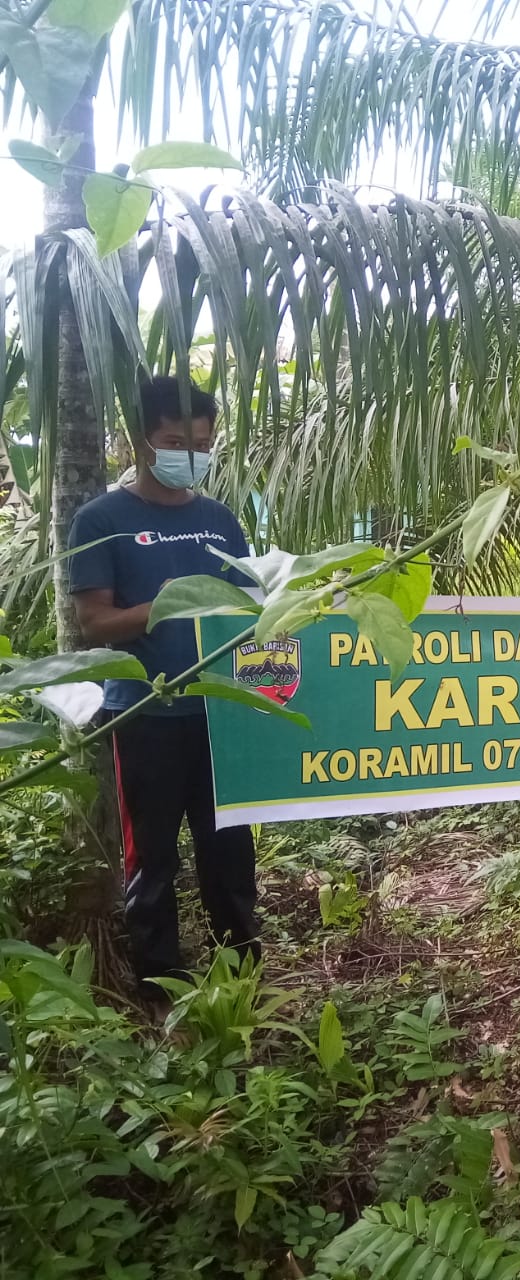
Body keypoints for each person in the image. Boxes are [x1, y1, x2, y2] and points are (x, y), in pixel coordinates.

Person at [69, 377, 260, 998]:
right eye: (176, 441)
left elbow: (250, 608)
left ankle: (242, 973)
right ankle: (160, 986)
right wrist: (169, 606)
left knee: (229, 849)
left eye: (201, 444)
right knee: (152, 857)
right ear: (142, 441)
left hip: (224, 713)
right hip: (146, 713)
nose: (191, 455)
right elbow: (94, 621)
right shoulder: (103, 520)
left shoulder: (219, 520)